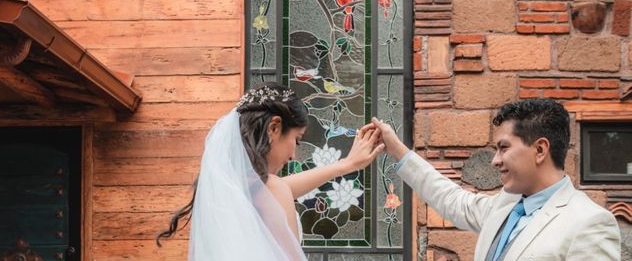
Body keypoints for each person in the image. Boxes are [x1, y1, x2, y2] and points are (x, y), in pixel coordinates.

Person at [373, 98, 621, 261]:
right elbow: (453, 200)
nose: (495, 160)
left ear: (540, 150)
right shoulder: (506, 204)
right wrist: (396, 149)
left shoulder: (590, 222)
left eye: (504, 148)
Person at [157, 82, 384, 260]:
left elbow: (283, 186)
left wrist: (346, 165)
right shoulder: (271, 189)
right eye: (297, 139)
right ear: (274, 128)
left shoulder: (226, 187)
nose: (294, 155)